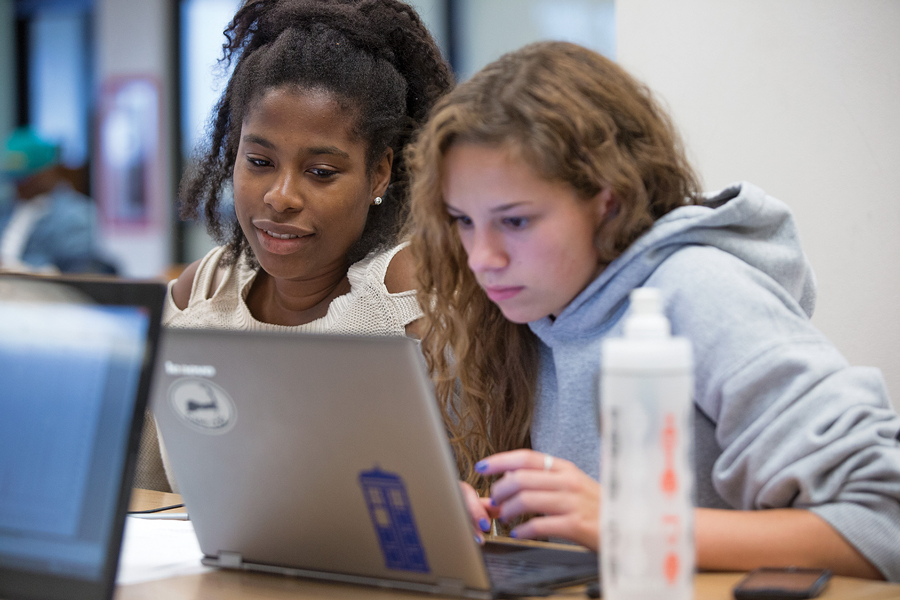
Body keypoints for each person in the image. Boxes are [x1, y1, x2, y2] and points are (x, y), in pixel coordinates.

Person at [406, 41, 900, 581]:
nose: (482, 258)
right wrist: (440, 507)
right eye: (463, 220)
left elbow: (883, 522)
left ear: (608, 200)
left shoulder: (699, 290)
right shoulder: (507, 309)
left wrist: (634, 526)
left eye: (516, 221)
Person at [133, 0, 453, 492]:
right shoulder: (202, 293)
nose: (280, 197)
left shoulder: (406, 299)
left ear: (380, 173)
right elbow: (145, 495)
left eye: (321, 172)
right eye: (259, 161)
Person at [0, 127, 113, 274]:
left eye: (24, 180)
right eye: (14, 180)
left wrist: (28, 271)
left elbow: (78, 271)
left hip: (39, 292)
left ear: (47, 171)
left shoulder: (75, 215)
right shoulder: (7, 209)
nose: (18, 187)